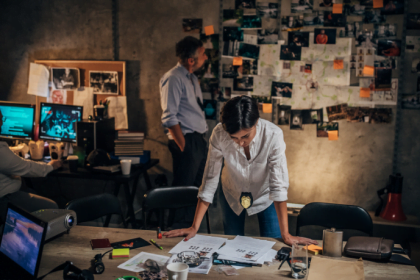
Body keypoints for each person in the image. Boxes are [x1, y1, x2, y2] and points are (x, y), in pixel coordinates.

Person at [164, 96, 318, 246]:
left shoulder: (273, 135)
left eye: (245, 136)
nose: (241, 142)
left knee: (275, 244)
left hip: (265, 194)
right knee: (231, 244)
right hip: (231, 191)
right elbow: (210, 180)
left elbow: (278, 185)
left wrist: (287, 235)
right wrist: (194, 227)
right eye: (234, 138)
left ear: (256, 122)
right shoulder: (219, 134)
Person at [160, 36, 208, 227]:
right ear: (191, 60)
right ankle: (177, 232)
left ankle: (190, 231)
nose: (205, 58)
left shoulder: (192, 78)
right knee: (183, 192)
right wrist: (185, 147)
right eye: (203, 54)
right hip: (187, 141)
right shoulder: (173, 78)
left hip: (198, 141)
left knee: (196, 192)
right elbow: (169, 117)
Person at [0, 109, 62, 222]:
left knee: (34, 192)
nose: (2, 123)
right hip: (4, 198)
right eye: (0, 119)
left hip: (10, 190)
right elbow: (26, 167)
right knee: (52, 207)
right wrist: (50, 166)